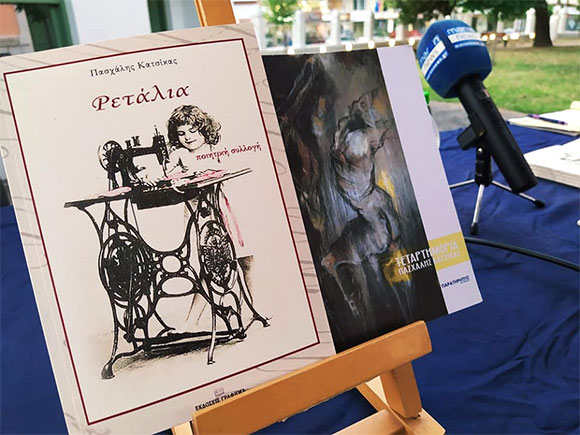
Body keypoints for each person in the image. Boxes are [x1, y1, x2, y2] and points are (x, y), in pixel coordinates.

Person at [165, 105, 221, 176]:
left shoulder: (215, 150)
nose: (187, 137)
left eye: (192, 131)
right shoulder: (179, 154)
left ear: (204, 129)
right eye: (181, 134)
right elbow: (162, 172)